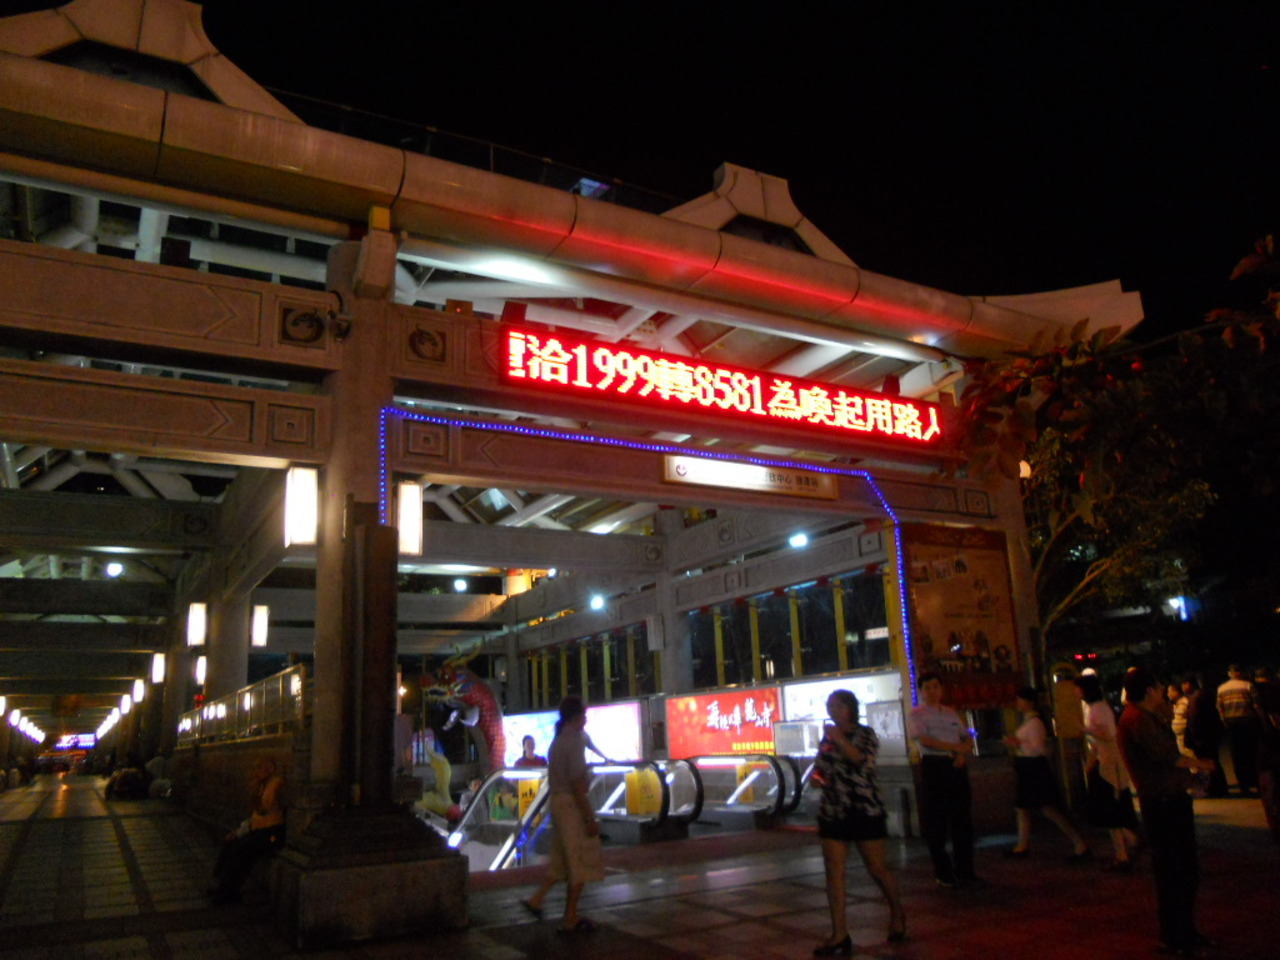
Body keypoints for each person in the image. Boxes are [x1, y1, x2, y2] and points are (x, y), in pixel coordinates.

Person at [1117, 666, 1217, 956]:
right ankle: (1175, 936)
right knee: (1175, 871)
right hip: (1162, 803)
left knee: (1181, 870)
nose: (1163, 691)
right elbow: (1168, 757)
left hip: (1167, 799)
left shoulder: (1143, 716)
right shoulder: (1137, 719)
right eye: (1159, 686)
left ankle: (1183, 931)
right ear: (1149, 689)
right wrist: (1201, 764)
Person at [812, 690, 906, 956]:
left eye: (836, 705)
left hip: (865, 809)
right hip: (834, 810)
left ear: (849, 708)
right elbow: (821, 768)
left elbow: (860, 760)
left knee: (877, 868)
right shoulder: (828, 739)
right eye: (829, 705)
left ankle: (897, 912)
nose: (832, 710)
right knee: (834, 870)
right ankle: (839, 933)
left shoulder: (866, 734)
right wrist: (817, 777)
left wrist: (839, 739)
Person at [520, 696, 604, 933]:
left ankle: (537, 899)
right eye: (584, 715)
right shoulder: (573, 742)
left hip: (556, 803)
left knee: (561, 858)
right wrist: (589, 818)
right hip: (571, 806)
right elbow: (577, 783)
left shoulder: (556, 742)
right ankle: (570, 916)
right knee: (580, 860)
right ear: (575, 717)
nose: (585, 719)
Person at [1001, 686, 1089, 860]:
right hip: (1028, 766)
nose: (1017, 703)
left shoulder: (1035, 722)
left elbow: (1038, 748)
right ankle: (1022, 845)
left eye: (1020, 699)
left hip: (1034, 767)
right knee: (1023, 807)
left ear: (1028, 702)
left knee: (1047, 808)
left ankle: (1079, 843)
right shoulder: (1029, 721)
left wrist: (1018, 743)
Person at [907, 671, 978, 888]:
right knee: (936, 821)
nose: (932, 691)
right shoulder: (917, 715)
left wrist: (961, 752)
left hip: (956, 766)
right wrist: (953, 748)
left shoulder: (950, 713)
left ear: (941, 689)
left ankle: (965, 871)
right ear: (921, 691)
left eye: (936, 687)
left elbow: (966, 738)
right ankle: (943, 871)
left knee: (962, 820)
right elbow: (924, 740)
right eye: (927, 688)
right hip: (934, 766)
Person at [1075, 672, 1141, 869]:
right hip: (1104, 763)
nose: (1075, 692)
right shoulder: (1094, 708)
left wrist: (1086, 730)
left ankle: (1123, 854)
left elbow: (1108, 735)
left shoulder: (1099, 709)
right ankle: (1128, 844)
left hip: (1108, 766)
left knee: (1110, 810)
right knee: (1109, 810)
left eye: (1078, 688)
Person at [209, 757, 285, 905]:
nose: (257, 772)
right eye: (258, 768)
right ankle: (220, 883)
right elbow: (254, 817)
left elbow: (263, 810)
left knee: (242, 849)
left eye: (261, 769)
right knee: (230, 843)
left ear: (271, 769)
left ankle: (230, 891)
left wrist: (256, 794)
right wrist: (238, 832)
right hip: (259, 830)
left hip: (272, 833)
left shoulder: (276, 784)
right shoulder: (262, 786)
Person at [1217, 664, 1260, 795]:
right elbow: (1256, 705)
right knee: (1250, 751)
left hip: (1232, 723)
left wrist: (1225, 722)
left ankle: (1243, 784)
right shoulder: (1248, 686)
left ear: (1230, 673)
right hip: (1248, 721)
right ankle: (1255, 781)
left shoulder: (1221, 688)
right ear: (1240, 672)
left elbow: (1220, 708)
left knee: (1237, 754)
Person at [1182, 677, 1228, 797]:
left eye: (1184, 684)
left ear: (1189, 684)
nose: (1183, 687)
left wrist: (1193, 737)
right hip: (1208, 735)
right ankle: (1219, 787)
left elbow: (1195, 720)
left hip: (1202, 737)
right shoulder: (1199, 696)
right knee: (1212, 760)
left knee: (1208, 762)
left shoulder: (1196, 698)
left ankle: (1215, 788)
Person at [1253, 667, 1280, 842]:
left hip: (1267, 755)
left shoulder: (1259, 713)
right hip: (1269, 755)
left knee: (1270, 791)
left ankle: (1275, 826)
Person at [1168, 683, 1190, 755]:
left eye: (1170, 691)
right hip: (1180, 740)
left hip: (1187, 739)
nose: (1168, 694)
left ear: (1176, 692)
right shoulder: (1175, 705)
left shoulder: (1184, 702)